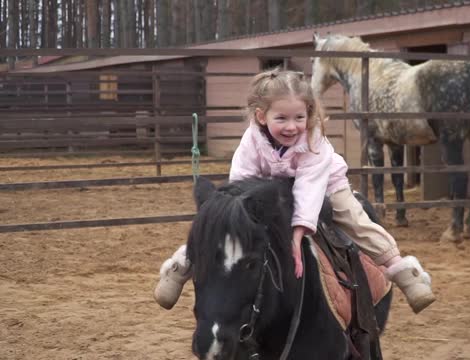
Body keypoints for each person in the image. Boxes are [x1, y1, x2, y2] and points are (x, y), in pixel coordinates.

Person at [154, 69, 435, 314]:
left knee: (355, 219)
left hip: (324, 183)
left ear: (309, 114)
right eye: (282, 118)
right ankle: (185, 261)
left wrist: (300, 229)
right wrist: (236, 209)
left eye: (299, 117)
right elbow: (239, 182)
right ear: (261, 116)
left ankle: (400, 269)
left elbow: (310, 186)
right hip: (268, 187)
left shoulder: (313, 139)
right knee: (222, 220)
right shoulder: (250, 142)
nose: (292, 126)